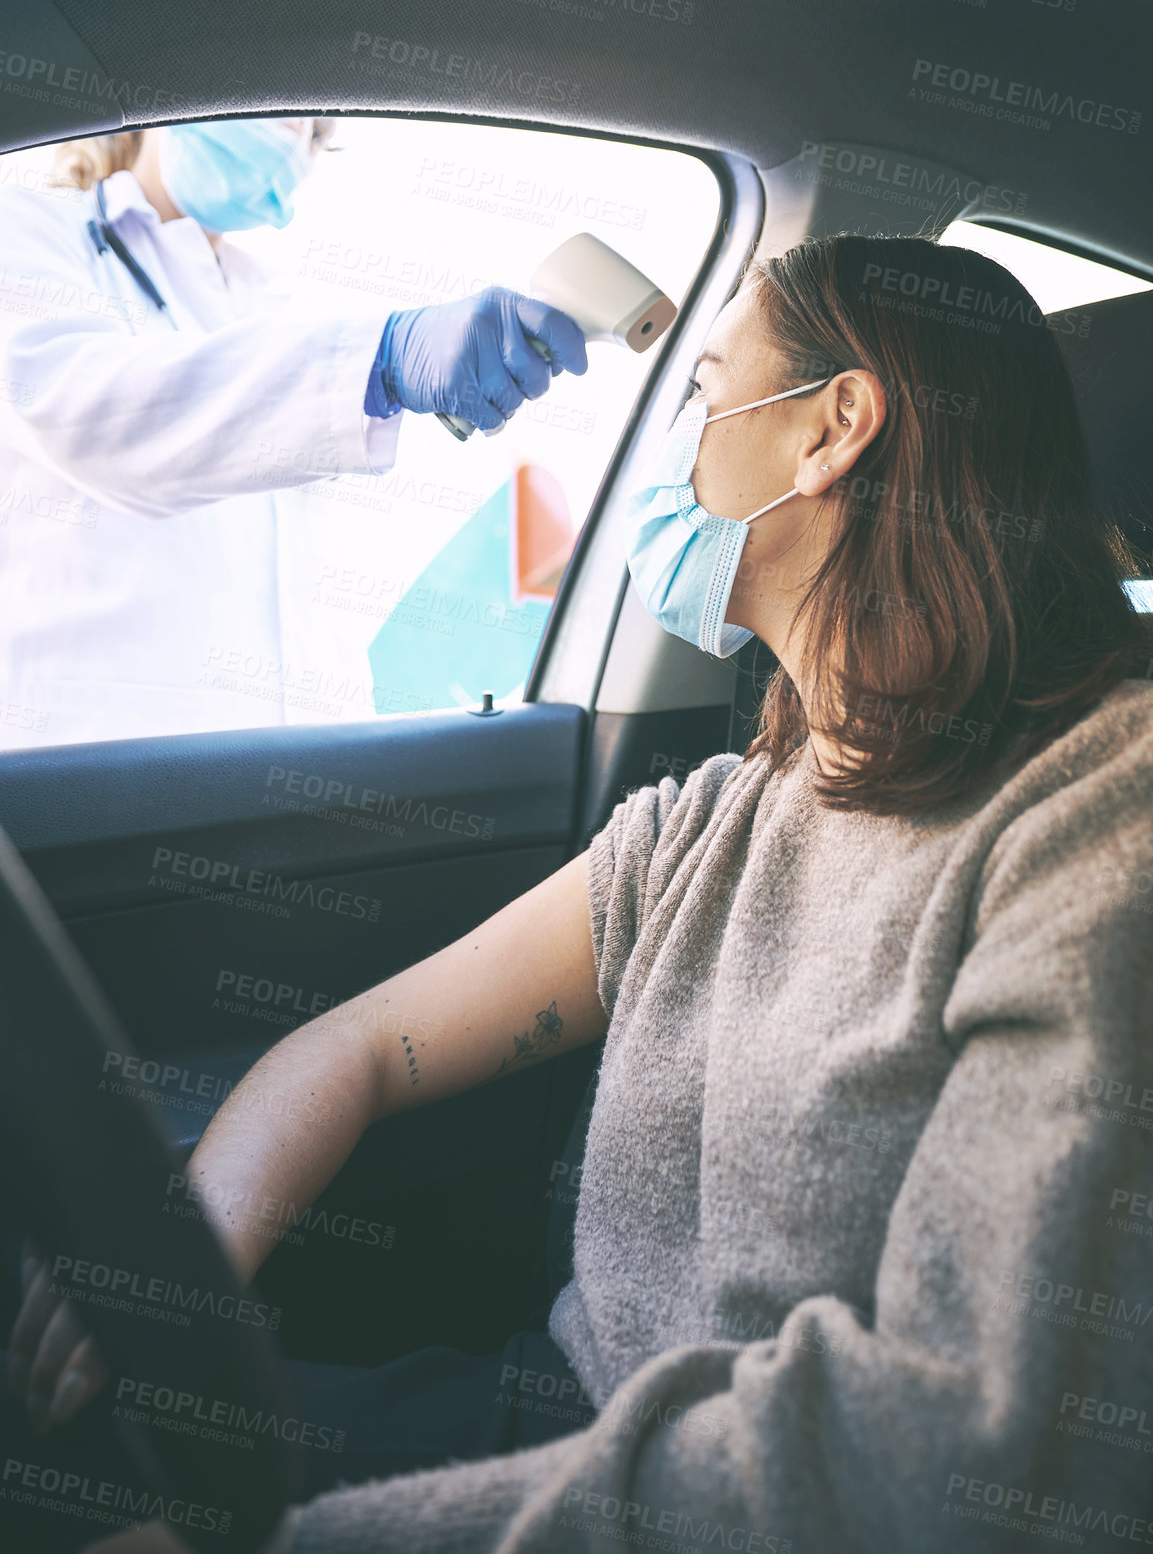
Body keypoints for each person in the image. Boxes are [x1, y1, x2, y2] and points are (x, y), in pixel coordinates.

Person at [10, 234, 1153, 1554]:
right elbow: (359, 1046)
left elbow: (948, 1450)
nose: (674, 444)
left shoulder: (1097, 813)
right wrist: (174, 1282)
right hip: (556, 1427)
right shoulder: (716, 821)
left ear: (832, 429)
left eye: (704, 386)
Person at [0, 116, 586, 748]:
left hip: (292, 781)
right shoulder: (28, 229)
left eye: (317, 137)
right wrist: (380, 359)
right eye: (286, 118)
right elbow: (91, 416)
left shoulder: (279, 306)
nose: (296, 148)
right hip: (90, 776)